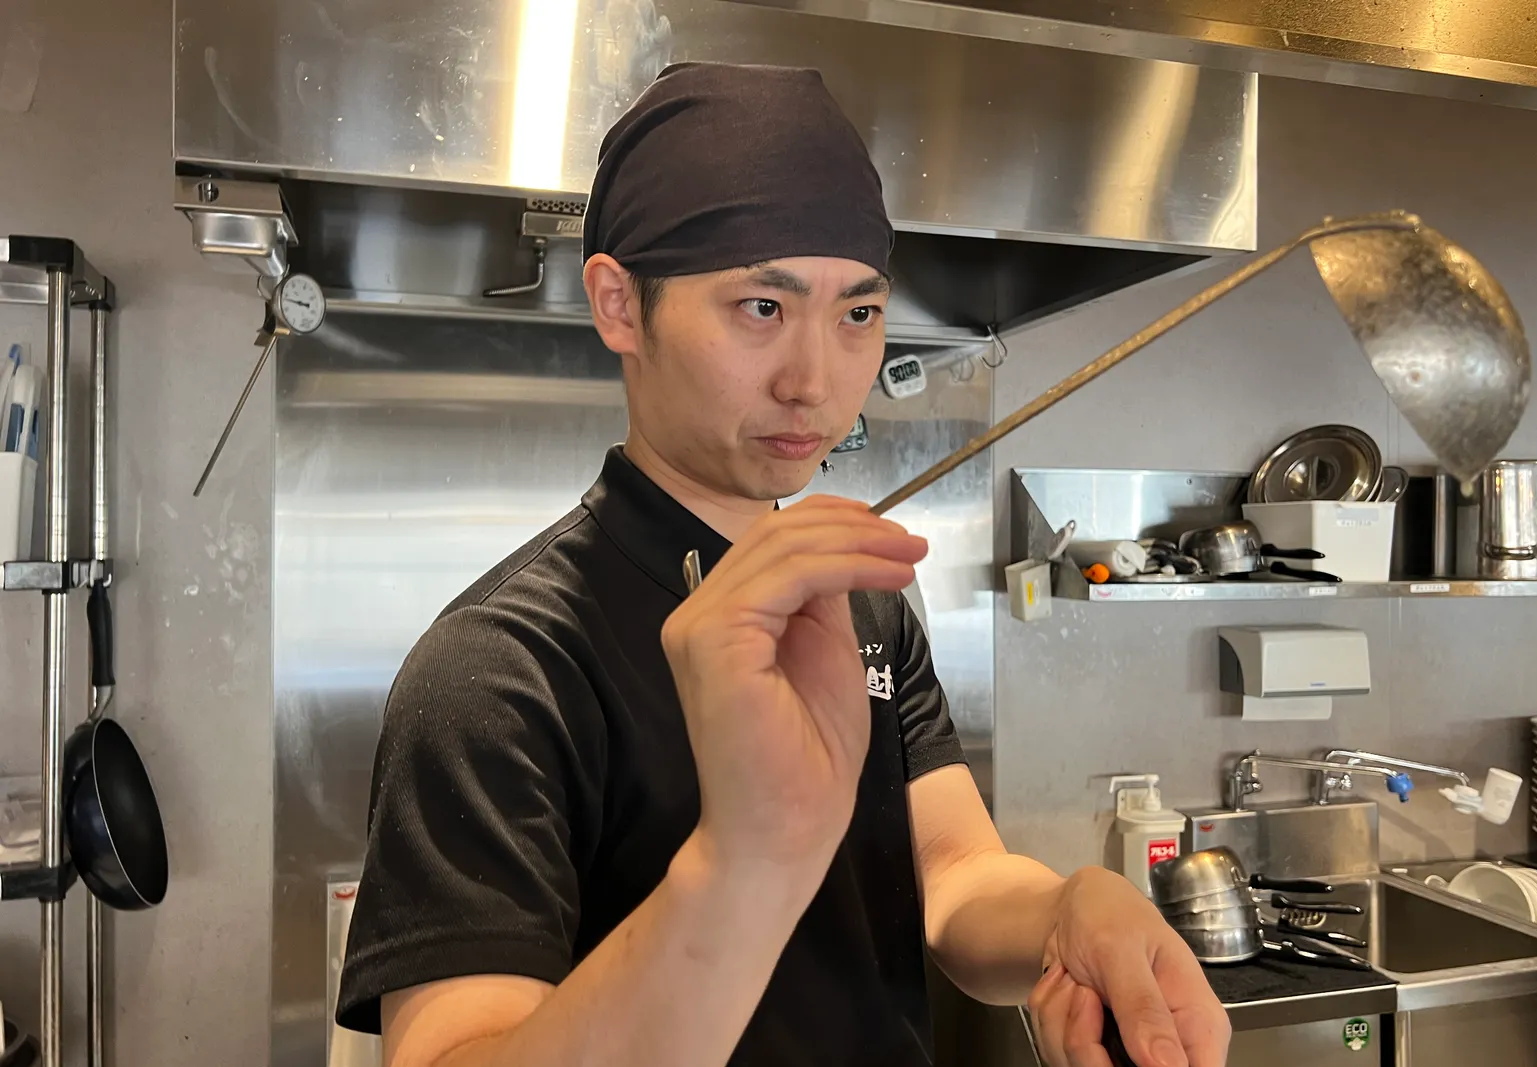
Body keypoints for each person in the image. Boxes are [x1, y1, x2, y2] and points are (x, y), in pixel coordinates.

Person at [335, 62, 1229, 1067]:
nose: (815, 381)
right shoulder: (497, 669)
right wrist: (743, 863)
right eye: (762, 307)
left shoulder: (856, 606)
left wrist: (1066, 910)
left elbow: (953, 872)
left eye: (857, 314)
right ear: (620, 304)